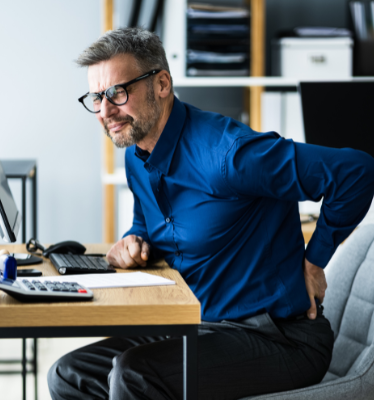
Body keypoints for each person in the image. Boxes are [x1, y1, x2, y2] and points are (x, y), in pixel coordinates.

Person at [48, 27, 374, 400]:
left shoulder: (229, 156)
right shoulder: (137, 156)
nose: (105, 111)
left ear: (162, 84)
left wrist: (315, 261)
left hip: (277, 337)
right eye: (96, 97)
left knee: (135, 375)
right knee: (68, 373)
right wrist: (133, 241)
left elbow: (357, 172)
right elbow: (147, 221)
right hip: (197, 323)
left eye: (117, 93)